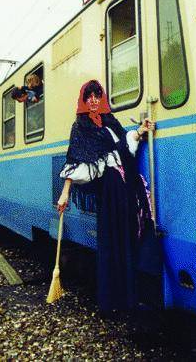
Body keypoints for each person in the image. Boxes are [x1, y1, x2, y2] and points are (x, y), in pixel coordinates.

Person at [56, 80, 155, 313]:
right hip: (110, 190)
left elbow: (125, 147)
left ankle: (129, 297)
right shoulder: (80, 127)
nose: (93, 100)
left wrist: (140, 131)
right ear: (83, 100)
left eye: (97, 96)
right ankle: (112, 300)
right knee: (112, 240)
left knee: (129, 237)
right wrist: (64, 194)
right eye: (89, 96)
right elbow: (76, 163)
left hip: (127, 185)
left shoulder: (110, 121)